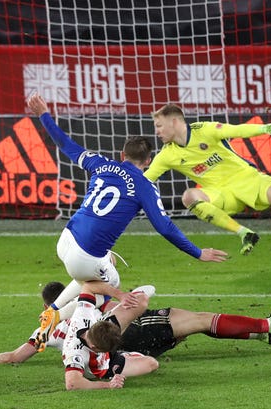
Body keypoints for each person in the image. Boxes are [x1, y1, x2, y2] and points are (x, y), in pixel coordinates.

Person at [26, 93, 228, 348]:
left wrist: (44, 113)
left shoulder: (99, 163)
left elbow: (64, 143)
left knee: (103, 264)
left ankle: (54, 307)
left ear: (122, 154)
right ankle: (60, 321)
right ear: (148, 161)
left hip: (65, 240)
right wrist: (198, 252)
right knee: (108, 285)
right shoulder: (145, 187)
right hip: (84, 256)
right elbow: (165, 227)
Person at [144, 104, 271, 270]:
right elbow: (143, 181)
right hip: (221, 194)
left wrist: (265, 129)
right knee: (189, 197)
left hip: (247, 179)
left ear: (174, 122)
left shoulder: (205, 130)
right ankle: (244, 233)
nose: (157, 131)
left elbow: (236, 130)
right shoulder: (166, 155)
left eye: (159, 126)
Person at [0, 282, 271, 364]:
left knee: (190, 328)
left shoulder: (45, 329)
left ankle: (261, 337)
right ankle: (270, 325)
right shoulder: (83, 308)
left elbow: (15, 357)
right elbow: (104, 295)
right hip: (127, 333)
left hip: (119, 343)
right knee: (200, 320)